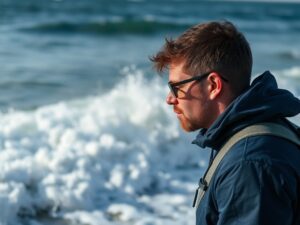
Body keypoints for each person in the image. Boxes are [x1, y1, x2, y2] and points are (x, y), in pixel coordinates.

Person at [150, 21, 300, 225]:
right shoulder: (256, 132)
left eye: (177, 87)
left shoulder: (249, 165)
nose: (170, 98)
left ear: (213, 85)